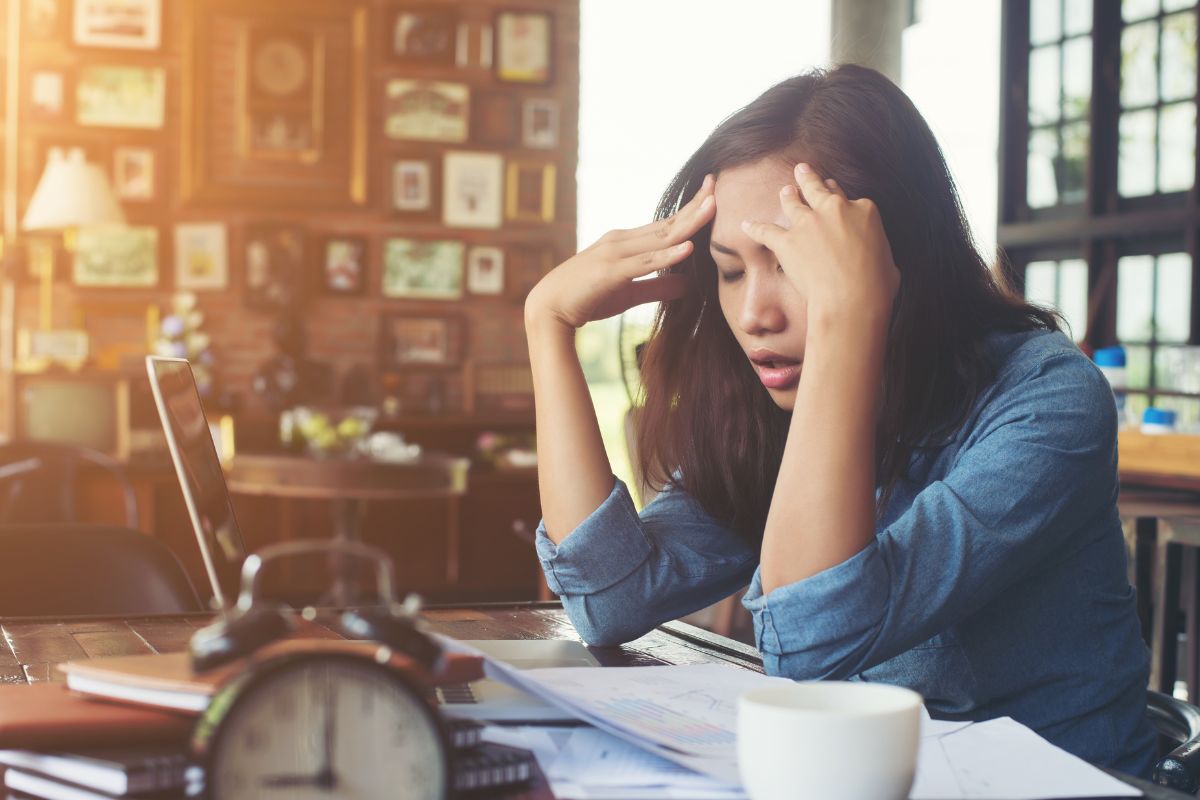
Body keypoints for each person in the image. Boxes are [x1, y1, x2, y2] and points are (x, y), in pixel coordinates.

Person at [523, 64, 1157, 776]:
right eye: (730, 271)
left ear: (894, 256)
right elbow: (609, 599)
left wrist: (849, 317)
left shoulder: (1047, 398)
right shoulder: (773, 407)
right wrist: (547, 324)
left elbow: (811, 638)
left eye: (790, 263)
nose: (755, 314)